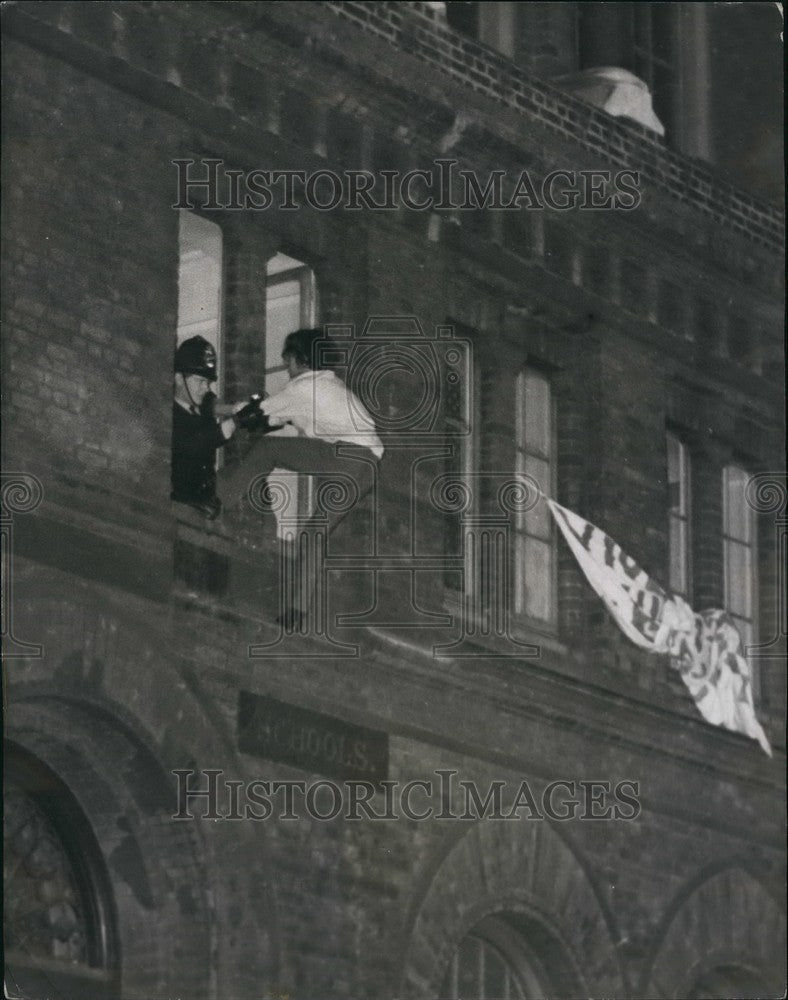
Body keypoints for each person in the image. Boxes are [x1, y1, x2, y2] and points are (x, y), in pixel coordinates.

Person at [220, 327, 384, 626]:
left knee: (268, 450)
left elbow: (254, 415)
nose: (287, 370)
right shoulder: (330, 386)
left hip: (346, 458)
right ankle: (297, 611)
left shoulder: (303, 388)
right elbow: (273, 418)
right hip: (368, 467)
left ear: (299, 359)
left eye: (288, 362)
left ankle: (217, 500)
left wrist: (221, 412)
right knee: (313, 533)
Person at [171, 335, 268, 519]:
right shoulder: (170, 414)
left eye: (208, 383)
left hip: (208, 490)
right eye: (200, 381)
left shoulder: (201, 402)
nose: (206, 388)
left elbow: (213, 403)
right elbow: (196, 443)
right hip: (183, 494)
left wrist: (238, 409)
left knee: (257, 474)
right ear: (178, 378)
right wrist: (234, 422)